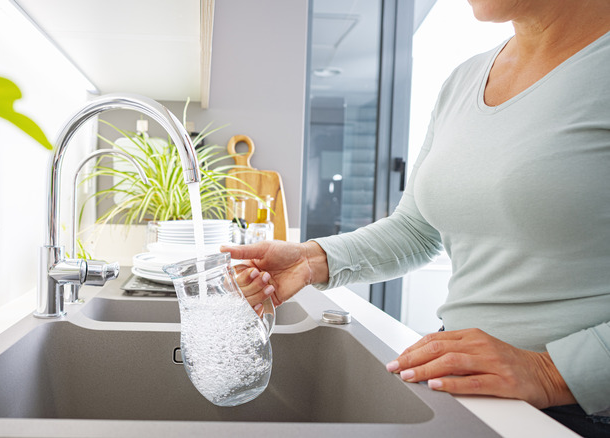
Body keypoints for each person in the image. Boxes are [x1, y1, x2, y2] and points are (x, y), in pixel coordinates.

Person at [222, 1, 610, 436]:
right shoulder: (465, 79)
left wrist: (551, 372)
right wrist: (312, 259)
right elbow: (417, 229)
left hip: (583, 411)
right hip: (465, 385)